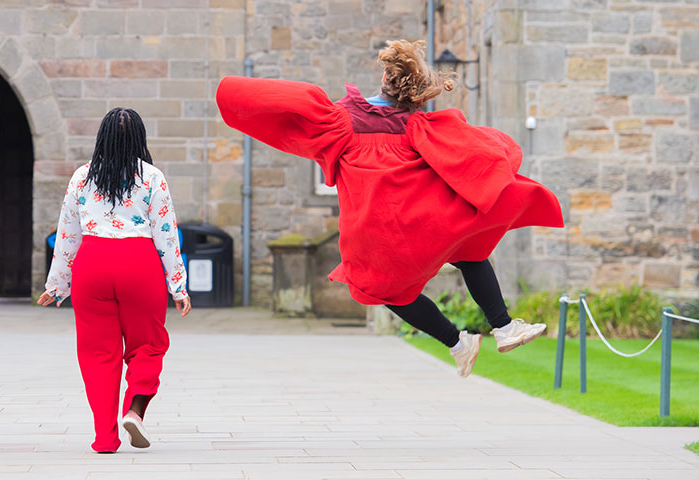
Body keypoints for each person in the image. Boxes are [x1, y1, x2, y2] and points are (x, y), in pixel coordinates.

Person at [216, 40, 564, 378]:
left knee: (384, 290)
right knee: (471, 252)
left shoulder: (341, 120)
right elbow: (480, 151)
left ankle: (457, 342)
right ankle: (502, 326)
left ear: (386, 78)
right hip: (425, 219)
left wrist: (233, 92)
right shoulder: (418, 126)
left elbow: (288, 106)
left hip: (375, 230)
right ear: (414, 94)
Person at [39, 107, 192, 453]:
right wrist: (178, 286)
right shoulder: (152, 177)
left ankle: (104, 438)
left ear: (101, 138)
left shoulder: (82, 177)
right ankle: (134, 412)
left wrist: (57, 285)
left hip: (92, 265)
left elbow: (68, 234)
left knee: (97, 354)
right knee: (148, 344)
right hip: (139, 264)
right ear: (140, 138)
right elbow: (167, 235)